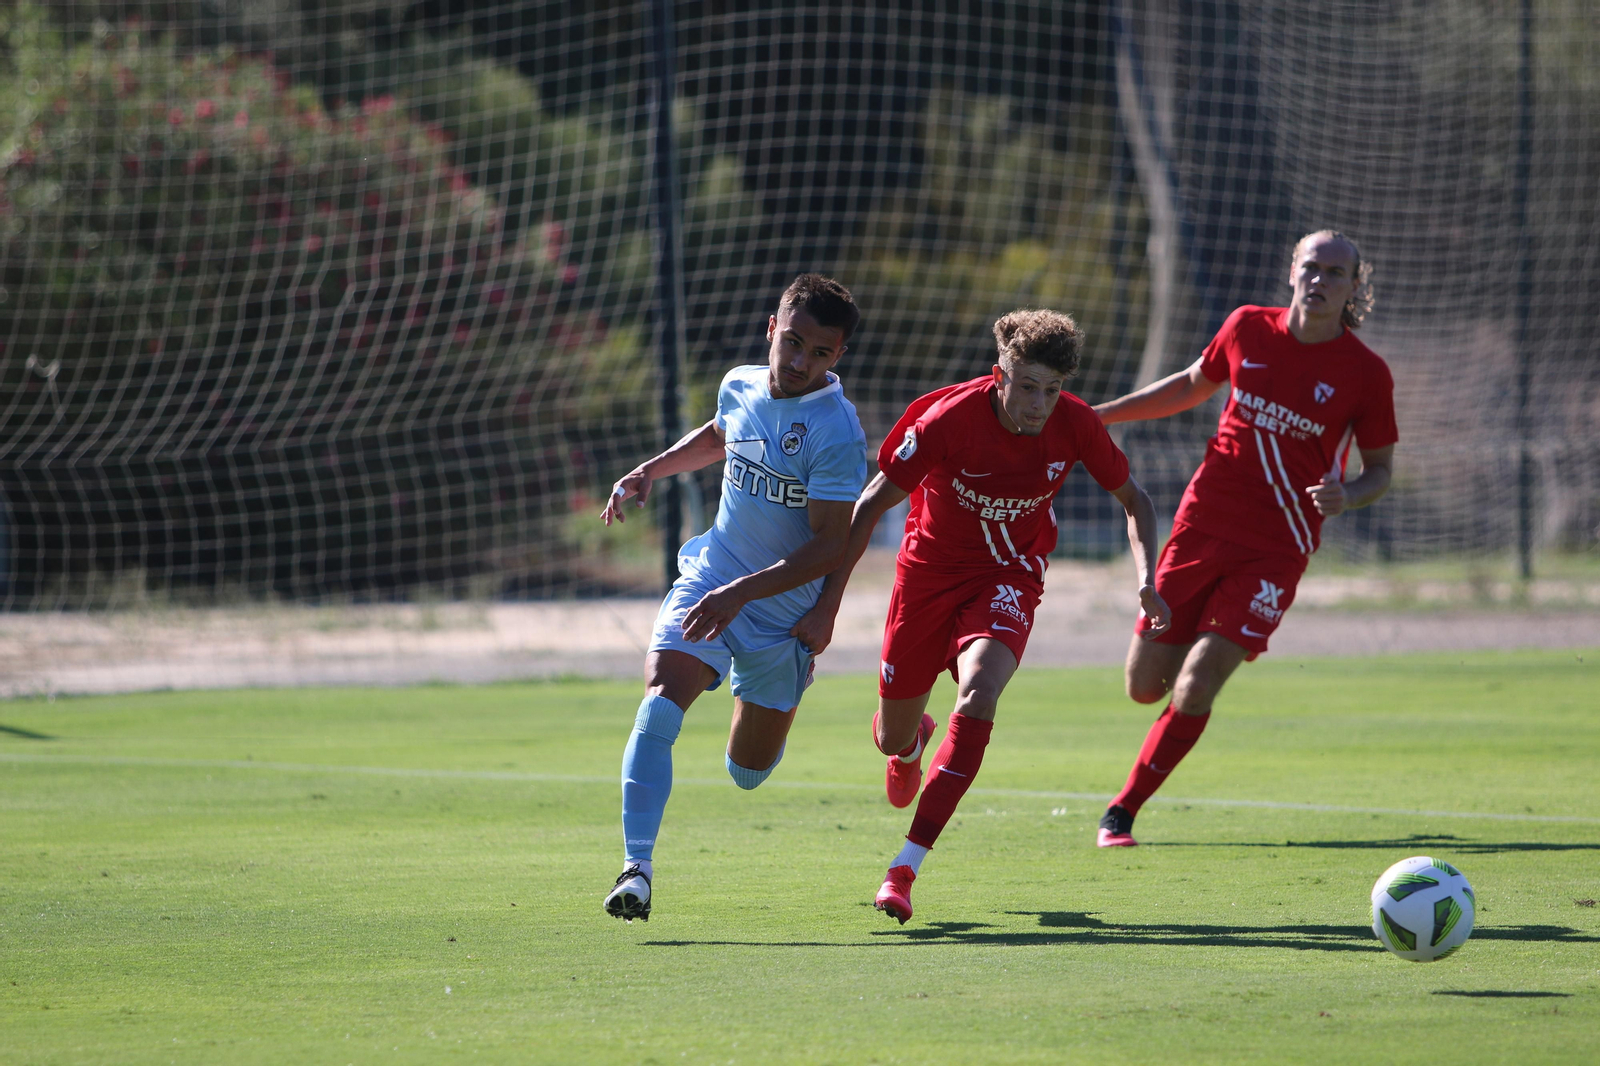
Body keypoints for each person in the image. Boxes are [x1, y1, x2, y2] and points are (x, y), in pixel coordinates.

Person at [793, 309, 1170, 924]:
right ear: (1000, 376)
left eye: (1052, 390)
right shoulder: (948, 420)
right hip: (926, 578)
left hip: (1009, 577)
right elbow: (868, 506)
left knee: (978, 695)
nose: (1039, 404)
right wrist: (828, 607)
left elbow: (1137, 501)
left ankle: (904, 868)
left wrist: (1147, 580)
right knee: (891, 736)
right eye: (1028, 386)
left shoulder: (1076, 424)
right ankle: (909, 745)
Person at [1092, 230, 1398, 847]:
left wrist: (1350, 494)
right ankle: (1181, 683)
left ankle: (1121, 811)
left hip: (1277, 548)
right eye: (1312, 266)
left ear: (1353, 289)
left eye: (1336, 273)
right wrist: (1100, 416)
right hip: (1202, 526)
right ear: (1292, 271)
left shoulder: (1366, 374)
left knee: (1197, 682)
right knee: (1144, 686)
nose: (1321, 280)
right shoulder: (1247, 328)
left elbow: (1380, 471)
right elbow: (1190, 384)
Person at [599, 274, 868, 921]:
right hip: (712, 579)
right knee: (659, 705)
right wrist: (650, 471)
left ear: (838, 356)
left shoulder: (835, 430)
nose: (800, 362)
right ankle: (636, 869)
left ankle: (779, 684)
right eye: (793, 342)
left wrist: (757, 598)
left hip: (780, 614)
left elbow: (831, 546)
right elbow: (721, 435)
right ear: (772, 328)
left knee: (747, 772)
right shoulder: (739, 384)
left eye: (820, 353)